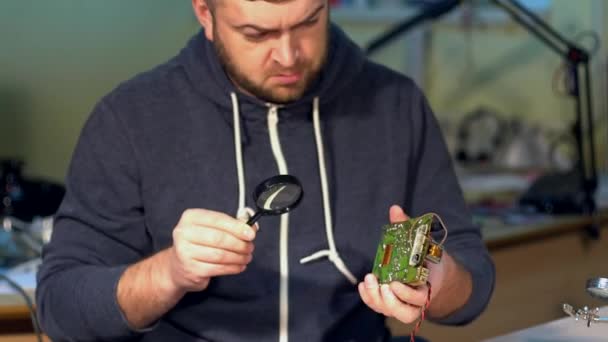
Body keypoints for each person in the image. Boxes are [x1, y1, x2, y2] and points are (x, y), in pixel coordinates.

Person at [36, 0, 495, 341]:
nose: (288, 55)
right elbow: (59, 308)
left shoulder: (396, 105)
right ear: (204, 13)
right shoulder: (132, 117)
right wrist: (168, 274)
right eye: (256, 34)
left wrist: (437, 281)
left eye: (308, 22)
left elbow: (470, 280)